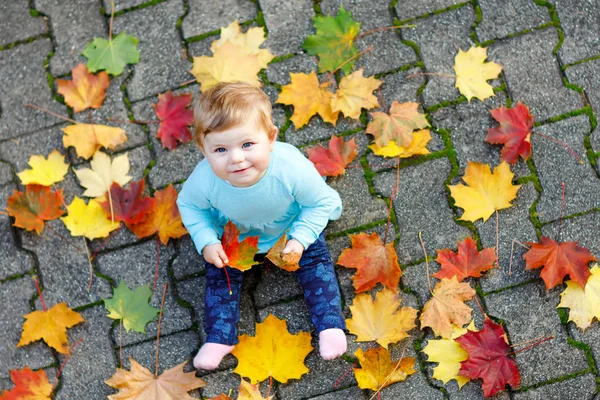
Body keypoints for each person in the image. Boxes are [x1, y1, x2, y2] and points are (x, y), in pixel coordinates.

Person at [176, 81, 347, 370]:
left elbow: (318, 204)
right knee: (220, 277)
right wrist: (207, 240)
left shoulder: (290, 168)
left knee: (317, 265)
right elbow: (190, 206)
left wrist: (301, 238)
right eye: (220, 149)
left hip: (288, 229)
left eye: (247, 144)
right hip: (236, 236)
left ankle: (330, 325)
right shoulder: (205, 179)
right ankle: (220, 336)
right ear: (203, 149)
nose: (236, 158)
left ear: (270, 138)